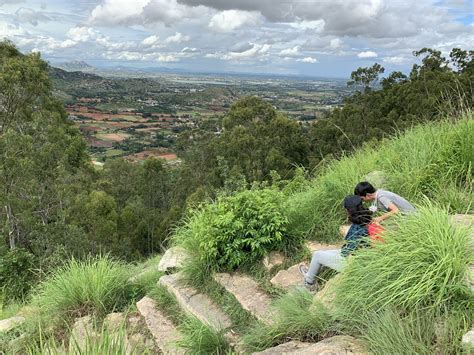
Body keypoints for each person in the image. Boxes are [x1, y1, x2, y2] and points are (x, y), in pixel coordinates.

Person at [299, 195, 375, 289]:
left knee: (317, 255)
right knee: (324, 253)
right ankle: (311, 272)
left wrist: (342, 252)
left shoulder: (358, 228)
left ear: (348, 210)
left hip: (352, 263)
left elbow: (349, 252)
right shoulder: (366, 218)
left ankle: (309, 283)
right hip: (360, 258)